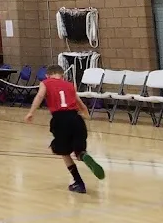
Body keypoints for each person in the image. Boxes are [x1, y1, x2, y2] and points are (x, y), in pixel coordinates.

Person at [24, 64, 106, 194]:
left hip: (60, 120)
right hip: (76, 119)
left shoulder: (45, 83)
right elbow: (80, 103)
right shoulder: (70, 85)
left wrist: (31, 112)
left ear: (47, 75)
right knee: (79, 150)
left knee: (64, 151)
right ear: (62, 75)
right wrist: (86, 113)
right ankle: (83, 155)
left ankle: (79, 183)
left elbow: (40, 96)